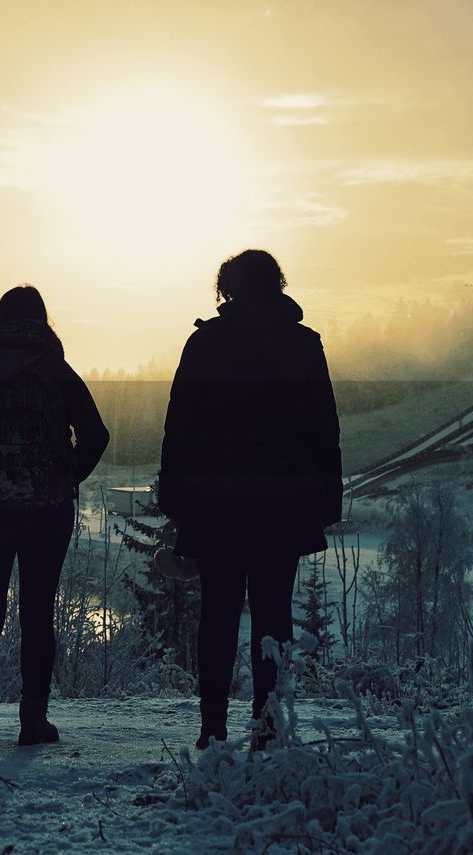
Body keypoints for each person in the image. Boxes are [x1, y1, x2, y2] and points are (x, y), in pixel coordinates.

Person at [158, 250, 342, 752]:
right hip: (282, 503)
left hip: (216, 504)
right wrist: (328, 500)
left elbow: (181, 424)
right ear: (278, 284)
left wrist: (173, 495)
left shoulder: (205, 343)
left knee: (217, 613)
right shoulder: (304, 345)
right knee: (273, 614)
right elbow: (325, 427)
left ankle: (212, 727)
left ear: (227, 289)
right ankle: (267, 726)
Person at [0, 285, 109, 750]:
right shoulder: (57, 370)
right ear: (43, 321)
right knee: (38, 615)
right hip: (46, 515)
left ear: (0, 318)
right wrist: (66, 478)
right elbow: (96, 434)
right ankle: (33, 721)